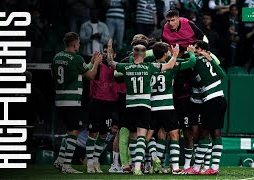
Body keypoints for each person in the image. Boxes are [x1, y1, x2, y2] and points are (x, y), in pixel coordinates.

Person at [107, 42, 180, 175]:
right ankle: (137, 168)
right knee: (142, 136)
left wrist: (109, 52)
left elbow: (111, 63)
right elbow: (169, 65)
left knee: (133, 136)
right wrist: (174, 54)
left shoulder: (126, 67)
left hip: (130, 106)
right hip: (144, 106)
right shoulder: (150, 67)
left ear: (133, 54)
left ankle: (135, 164)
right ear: (145, 54)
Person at [52, 32, 102, 174]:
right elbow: (91, 76)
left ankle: (60, 160)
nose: (79, 45)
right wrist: (96, 64)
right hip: (72, 100)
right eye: (79, 43)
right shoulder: (76, 58)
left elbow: (53, 74)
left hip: (59, 100)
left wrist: (91, 62)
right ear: (74, 44)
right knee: (74, 131)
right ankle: (67, 165)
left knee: (69, 131)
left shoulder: (57, 57)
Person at [149, 42, 196, 174]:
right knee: (174, 135)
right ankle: (175, 168)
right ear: (165, 54)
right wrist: (190, 52)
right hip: (167, 106)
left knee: (149, 136)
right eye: (168, 51)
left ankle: (147, 164)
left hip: (152, 105)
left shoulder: (148, 65)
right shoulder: (172, 65)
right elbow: (191, 62)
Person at [186, 40, 227, 175]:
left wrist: (191, 54)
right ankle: (213, 167)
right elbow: (223, 75)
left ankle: (197, 168)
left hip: (211, 100)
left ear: (202, 50)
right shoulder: (209, 60)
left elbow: (191, 62)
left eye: (196, 48)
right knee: (215, 132)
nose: (194, 50)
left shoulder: (197, 60)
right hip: (220, 98)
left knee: (204, 133)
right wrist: (211, 59)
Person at [85, 43, 122, 173]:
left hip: (111, 104)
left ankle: (95, 160)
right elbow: (86, 73)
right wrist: (92, 62)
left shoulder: (117, 67)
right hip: (97, 102)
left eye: (109, 52)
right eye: (104, 51)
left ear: (115, 55)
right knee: (93, 132)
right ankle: (89, 163)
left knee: (104, 134)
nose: (106, 54)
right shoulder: (97, 65)